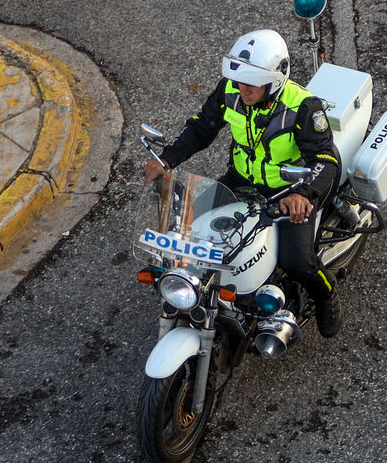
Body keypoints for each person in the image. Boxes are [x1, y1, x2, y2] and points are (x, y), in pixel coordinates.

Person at [144, 29, 344, 337]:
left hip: (289, 191)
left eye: (251, 84)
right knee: (188, 232)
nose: (242, 89)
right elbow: (202, 128)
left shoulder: (304, 107)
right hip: (241, 183)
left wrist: (303, 193)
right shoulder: (231, 90)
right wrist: (166, 160)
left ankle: (326, 294)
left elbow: (325, 160)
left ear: (275, 80)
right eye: (239, 81)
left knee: (297, 262)